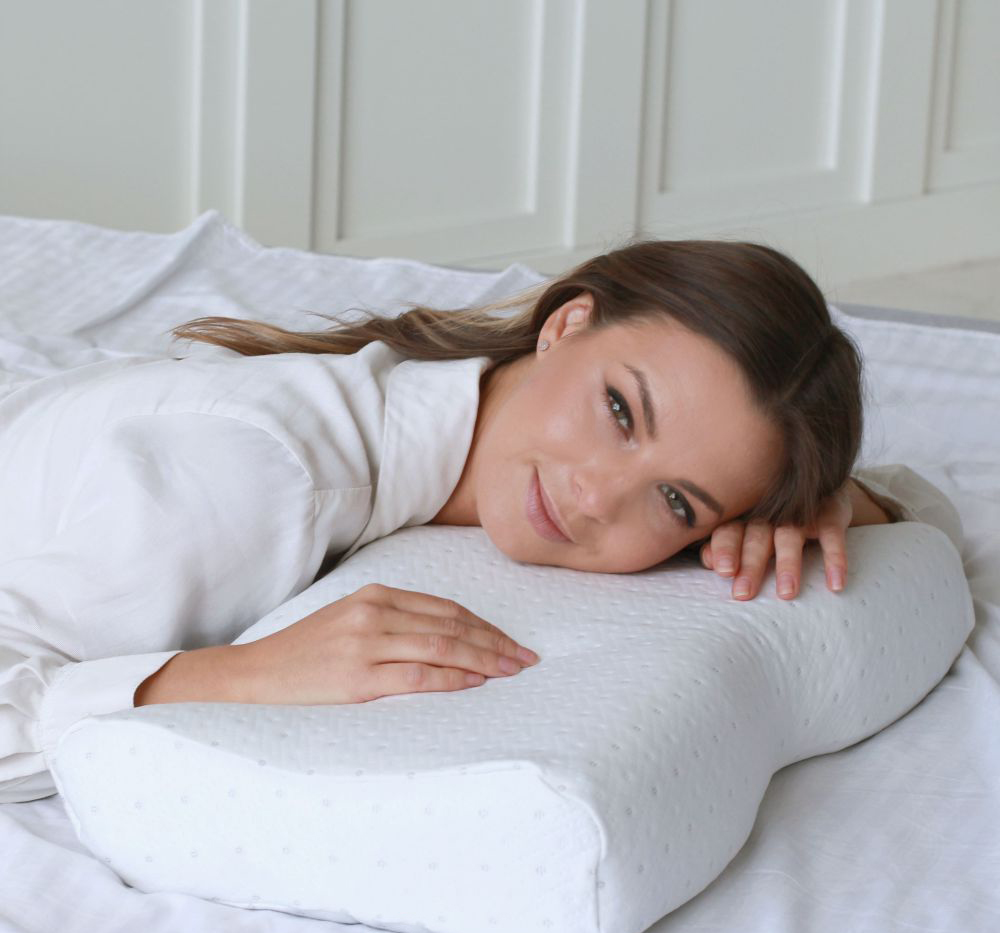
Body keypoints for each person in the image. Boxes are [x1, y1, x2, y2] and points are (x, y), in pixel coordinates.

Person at [0, 238, 959, 805]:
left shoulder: (443, 412)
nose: (597, 497)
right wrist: (234, 676)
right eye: (620, 411)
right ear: (566, 324)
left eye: (676, 501)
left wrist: (826, 504)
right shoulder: (256, 482)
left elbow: (928, 507)